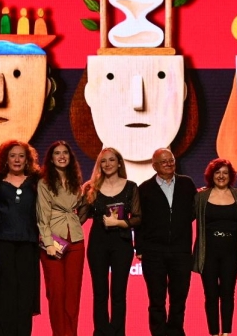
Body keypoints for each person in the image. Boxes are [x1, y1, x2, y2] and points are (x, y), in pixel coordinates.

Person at [137, 148, 197, 336]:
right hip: (153, 252)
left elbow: (193, 212)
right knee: (156, 299)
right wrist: (139, 247)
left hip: (181, 250)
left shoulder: (187, 184)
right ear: (154, 166)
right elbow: (139, 220)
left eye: (171, 160)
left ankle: (176, 332)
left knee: (179, 297)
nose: (169, 164)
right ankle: (159, 332)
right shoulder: (144, 188)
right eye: (163, 162)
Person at [82, 147, 141, 336]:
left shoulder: (131, 186)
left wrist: (121, 222)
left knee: (118, 293)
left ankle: (117, 332)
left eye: (111, 160)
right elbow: (80, 218)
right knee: (100, 293)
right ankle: (100, 332)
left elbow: (138, 217)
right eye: (103, 161)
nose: (107, 164)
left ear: (119, 163)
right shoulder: (91, 188)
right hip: (98, 243)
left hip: (121, 243)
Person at [0, 141, 41, 336]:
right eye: (13, 155)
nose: (17, 160)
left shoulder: (37, 181)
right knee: (4, 295)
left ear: (27, 159)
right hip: (2, 244)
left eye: (21, 156)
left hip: (28, 244)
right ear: (5, 159)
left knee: (25, 295)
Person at [192, 158, 237, 336]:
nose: (221, 176)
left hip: (231, 252)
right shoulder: (201, 196)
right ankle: (214, 333)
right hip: (208, 252)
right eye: (217, 172)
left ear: (230, 176)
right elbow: (185, 219)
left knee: (228, 294)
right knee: (211, 295)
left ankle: (227, 333)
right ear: (211, 175)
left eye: (225, 173)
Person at [37, 141, 85, 336]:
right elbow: (42, 216)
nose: (62, 156)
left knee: (73, 295)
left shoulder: (76, 181)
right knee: (56, 294)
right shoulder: (44, 182)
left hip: (75, 241)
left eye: (65, 152)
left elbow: (81, 208)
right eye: (57, 153)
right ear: (51, 158)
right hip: (53, 242)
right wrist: (48, 242)